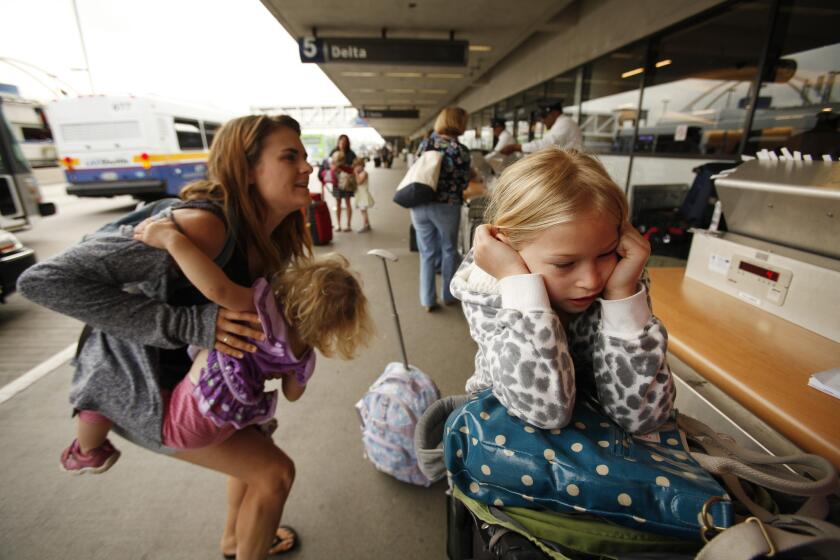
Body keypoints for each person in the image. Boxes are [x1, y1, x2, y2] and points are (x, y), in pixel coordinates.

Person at [18, 115, 324, 559]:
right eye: (289, 156)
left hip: (197, 385)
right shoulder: (201, 229)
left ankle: (237, 540)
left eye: (305, 156)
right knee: (273, 474)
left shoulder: (273, 237)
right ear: (247, 168)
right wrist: (188, 324)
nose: (307, 168)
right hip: (142, 391)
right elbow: (44, 280)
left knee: (259, 448)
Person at [60, 211, 372, 471]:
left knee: (107, 375)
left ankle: (87, 451)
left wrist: (173, 239)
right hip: (226, 426)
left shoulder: (259, 309)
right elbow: (292, 394)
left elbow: (217, 289)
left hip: (188, 416)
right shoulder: (304, 356)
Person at [450, 148, 675, 434]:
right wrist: (517, 283)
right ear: (507, 247)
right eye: (565, 263)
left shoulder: (617, 281)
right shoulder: (492, 293)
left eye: (606, 253)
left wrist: (622, 295)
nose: (591, 281)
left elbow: (644, 415)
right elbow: (547, 411)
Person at [412, 106, 471, 312]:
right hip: (447, 206)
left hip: (419, 204)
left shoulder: (426, 144)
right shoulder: (460, 150)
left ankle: (428, 300)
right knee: (448, 251)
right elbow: (464, 183)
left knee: (426, 253)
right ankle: (448, 295)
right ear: (459, 123)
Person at [499, 101, 583, 156]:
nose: (542, 120)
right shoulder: (559, 124)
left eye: (544, 116)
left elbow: (547, 144)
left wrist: (516, 147)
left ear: (554, 113)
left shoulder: (565, 123)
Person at [329, 151, 356, 232]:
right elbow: (331, 172)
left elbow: (352, 170)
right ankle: (338, 224)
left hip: (346, 185)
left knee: (346, 203)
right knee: (339, 204)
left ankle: (348, 225)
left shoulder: (346, 165)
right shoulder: (334, 165)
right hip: (337, 186)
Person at [352, 157, 374, 233]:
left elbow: (359, 182)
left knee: (363, 210)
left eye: (358, 166)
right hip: (360, 194)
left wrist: (356, 174)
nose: (357, 168)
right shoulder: (361, 173)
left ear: (362, 165)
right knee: (363, 211)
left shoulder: (364, 173)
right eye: (355, 166)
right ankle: (367, 224)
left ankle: (365, 225)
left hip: (363, 195)